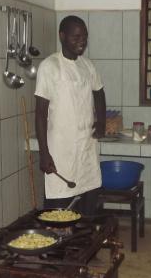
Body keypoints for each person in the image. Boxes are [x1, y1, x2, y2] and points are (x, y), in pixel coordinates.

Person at [34, 15, 106, 215]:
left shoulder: (87, 65)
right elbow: (40, 113)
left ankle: (85, 245)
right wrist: (44, 152)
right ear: (62, 36)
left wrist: (102, 121)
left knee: (88, 206)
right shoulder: (49, 66)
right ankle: (59, 246)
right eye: (76, 37)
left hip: (86, 147)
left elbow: (99, 92)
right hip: (60, 151)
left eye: (84, 36)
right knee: (59, 211)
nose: (81, 41)